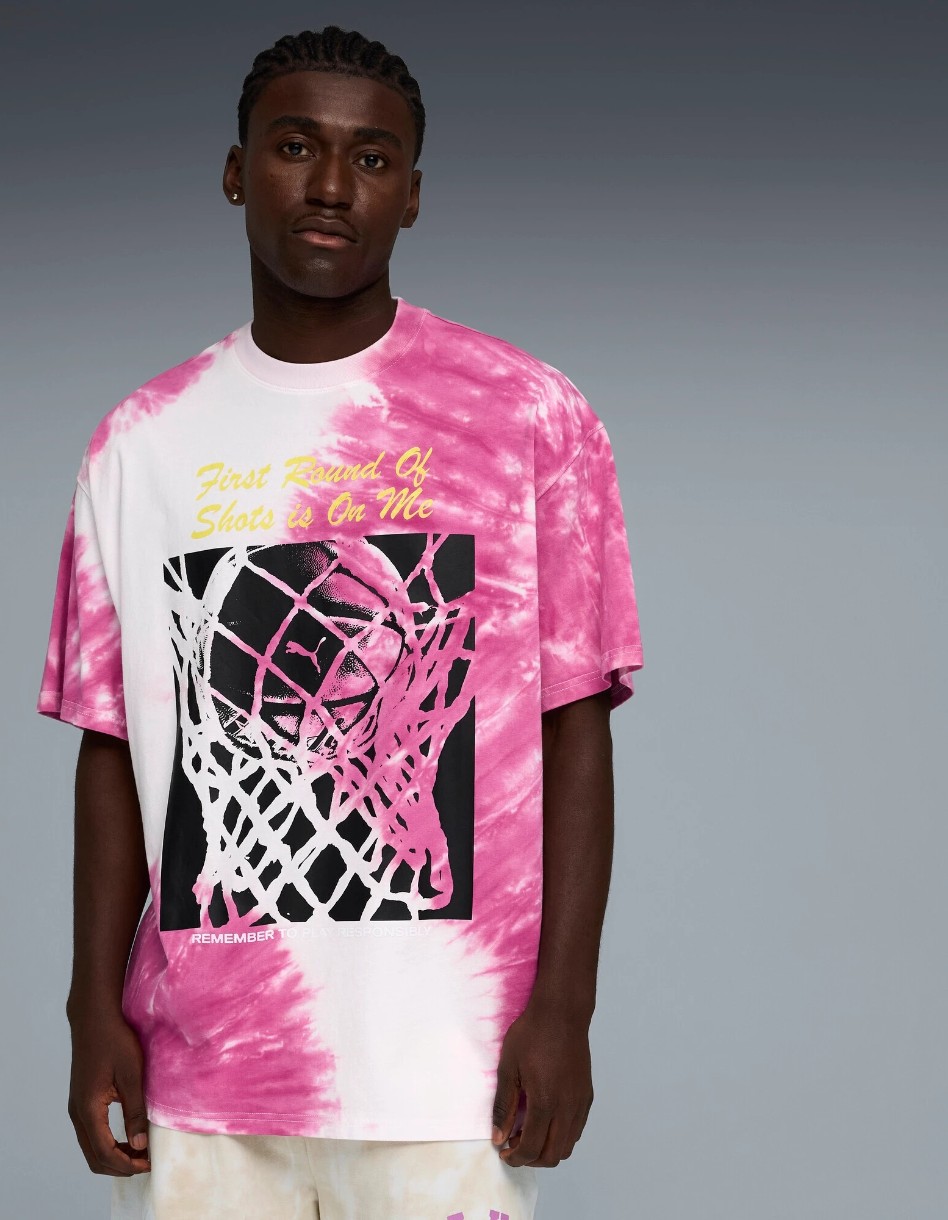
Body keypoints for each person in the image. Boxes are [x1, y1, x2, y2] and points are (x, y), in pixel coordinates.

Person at [36, 24, 644, 1220]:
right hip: (201, 1072)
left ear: (411, 195)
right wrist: (88, 1008)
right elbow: (112, 747)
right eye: (294, 146)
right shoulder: (142, 440)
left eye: (370, 158)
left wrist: (563, 1008)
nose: (329, 184)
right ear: (235, 171)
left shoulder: (526, 414)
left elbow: (575, 728)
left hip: (451, 1072)